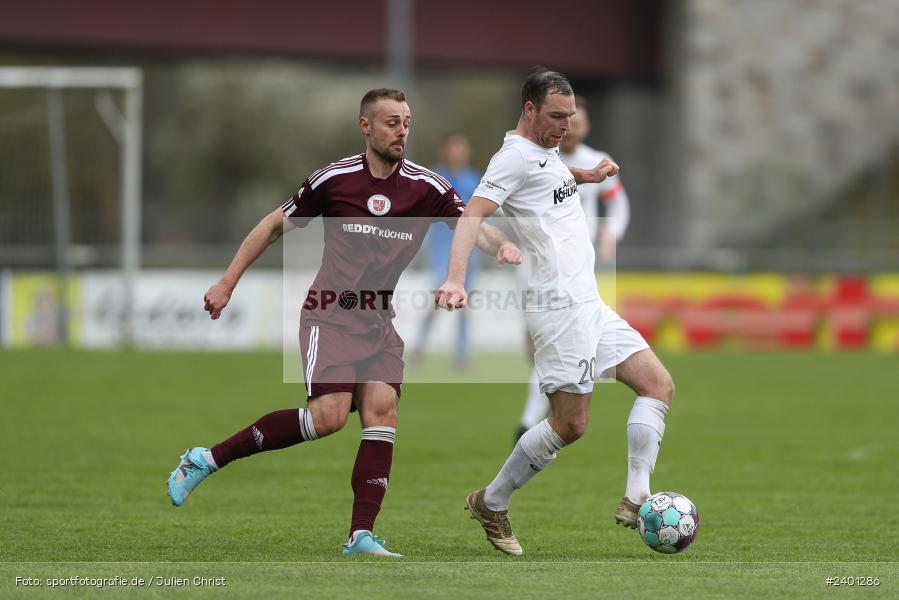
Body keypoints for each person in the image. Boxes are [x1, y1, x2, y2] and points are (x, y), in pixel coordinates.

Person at [167, 88, 522, 558]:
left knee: (382, 413)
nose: (402, 131)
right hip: (329, 314)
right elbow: (273, 225)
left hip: (378, 320)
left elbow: (471, 222)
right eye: (392, 122)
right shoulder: (334, 180)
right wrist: (228, 282)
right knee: (329, 418)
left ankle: (361, 536)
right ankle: (206, 459)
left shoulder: (425, 186)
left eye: (407, 122)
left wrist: (500, 246)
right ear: (366, 126)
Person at [436, 69, 675, 556]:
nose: (566, 125)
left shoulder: (545, 152)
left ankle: (637, 495)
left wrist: (586, 175)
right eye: (556, 116)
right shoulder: (512, 158)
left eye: (570, 116)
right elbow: (472, 214)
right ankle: (492, 500)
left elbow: (550, 183)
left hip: (588, 302)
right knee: (570, 425)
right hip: (558, 307)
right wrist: (456, 278)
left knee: (659, 385)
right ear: (529, 110)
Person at [515, 95, 631, 441]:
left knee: (559, 346)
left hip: (577, 270)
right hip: (535, 266)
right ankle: (544, 417)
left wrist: (612, 232)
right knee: (538, 349)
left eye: (576, 123)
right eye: (564, 123)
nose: (569, 130)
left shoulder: (596, 162)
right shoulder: (536, 160)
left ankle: (531, 421)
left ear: (586, 127)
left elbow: (618, 202)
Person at [409, 133, 482, 370]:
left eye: (461, 148)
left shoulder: (474, 179)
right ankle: (419, 346)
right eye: (453, 148)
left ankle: (461, 354)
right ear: (445, 151)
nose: (457, 153)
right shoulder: (434, 176)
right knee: (436, 300)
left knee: (464, 305)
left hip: (469, 252)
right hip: (441, 250)